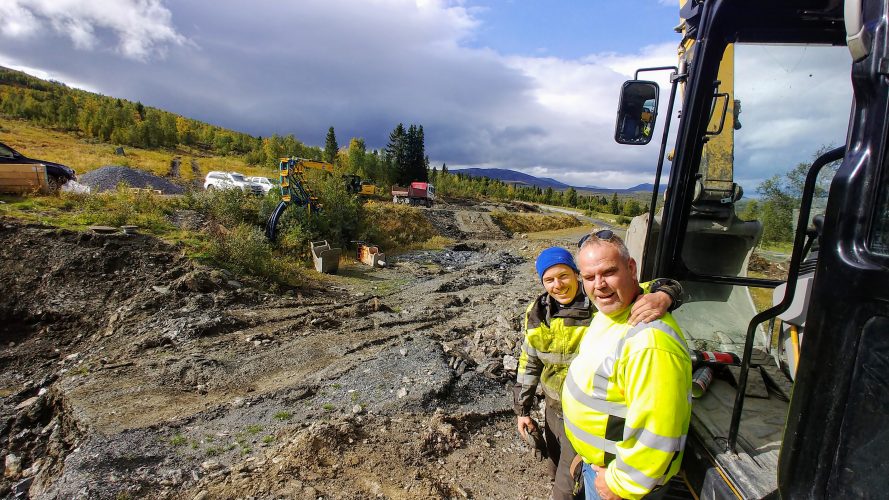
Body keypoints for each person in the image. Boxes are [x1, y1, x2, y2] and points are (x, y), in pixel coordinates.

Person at [514, 246, 683, 500]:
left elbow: (653, 286)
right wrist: (523, 410)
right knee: (554, 464)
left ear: (575, 275)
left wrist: (665, 295)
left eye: (564, 276)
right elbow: (529, 361)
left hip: (586, 420)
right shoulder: (537, 312)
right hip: (553, 409)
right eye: (549, 279)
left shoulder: (600, 302)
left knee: (564, 485)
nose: (557, 285)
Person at [561, 231, 692, 500]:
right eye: (589, 277)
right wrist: (667, 291)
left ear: (631, 268)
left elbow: (657, 432)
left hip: (621, 486)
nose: (599, 285)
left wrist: (621, 484)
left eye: (608, 272)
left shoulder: (650, 344)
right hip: (599, 467)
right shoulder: (615, 309)